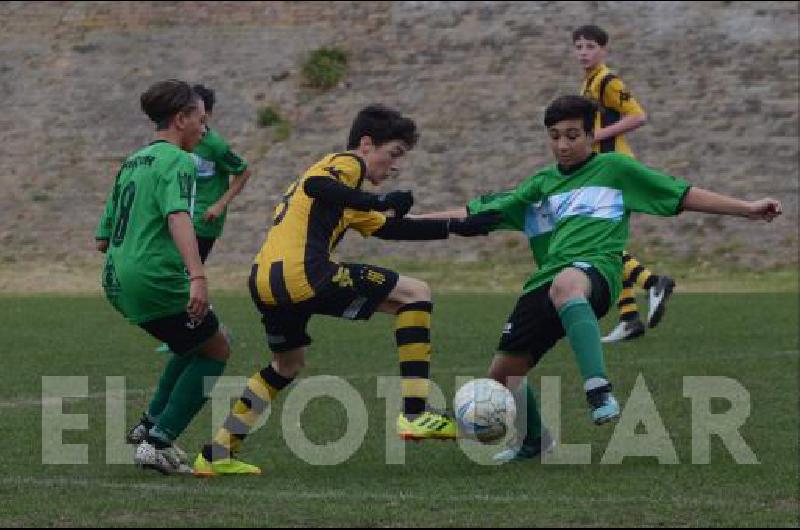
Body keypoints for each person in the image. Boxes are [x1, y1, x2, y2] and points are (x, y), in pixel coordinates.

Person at [421, 95, 781, 463]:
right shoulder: (539, 185)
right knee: (504, 374)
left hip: (597, 272)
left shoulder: (615, 169)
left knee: (566, 284)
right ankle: (534, 444)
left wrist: (747, 209)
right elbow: (469, 213)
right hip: (544, 282)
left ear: (591, 135)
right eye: (555, 136)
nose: (563, 144)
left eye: (573, 135)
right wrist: (396, 223)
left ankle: (599, 391)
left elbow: (681, 194)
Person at [192, 104, 501, 476]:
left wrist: (456, 227)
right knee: (415, 293)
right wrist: (380, 200)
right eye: (393, 155)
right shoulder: (347, 163)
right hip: (305, 273)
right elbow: (316, 186)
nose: (394, 166)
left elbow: (390, 228)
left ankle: (217, 453)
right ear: (367, 144)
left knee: (286, 364)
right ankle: (416, 413)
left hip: (264, 280)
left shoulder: (347, 196)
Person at [95, 80, 233, 474]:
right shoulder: (179, 161)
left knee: (193, 343)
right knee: (218, 347)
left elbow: (103, 239)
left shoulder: (134, 161)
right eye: (201, 122)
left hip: (116, 279)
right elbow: (177, 216)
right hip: (151, 278)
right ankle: (158, 440)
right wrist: (198, 276)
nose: (204, 131)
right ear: (181, 119)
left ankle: (149, 426)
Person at [573, 24, 676, 343]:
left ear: (603, 50)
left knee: (598, 240)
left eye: (590, 46)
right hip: (602, 169)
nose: (583, 52)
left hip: (614, 168)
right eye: (578, 46)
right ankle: (630, 317)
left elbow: (637, 116)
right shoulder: (588, 83)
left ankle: (653, 283)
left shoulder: (607, 81)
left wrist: (596, 137)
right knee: (604, 241)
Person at [153, 83, 251, 354]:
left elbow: (243, 171)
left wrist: (219, 205)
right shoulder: (180, 144)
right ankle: (192, 330)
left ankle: (207, 330)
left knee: (187, 277)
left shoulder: (215, 145)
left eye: (201, 112)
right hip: (183, 217)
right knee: (179, 276)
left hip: (204, 222)